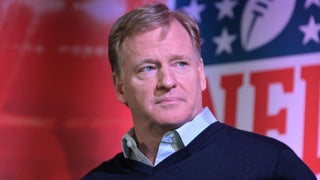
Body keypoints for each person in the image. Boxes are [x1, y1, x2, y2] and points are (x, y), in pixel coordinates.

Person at [83, 3, 316, 179]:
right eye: (148, 68)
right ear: (120, 87)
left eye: (180, 64)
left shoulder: (269, 164)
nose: (167, 81)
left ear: (201, 74)